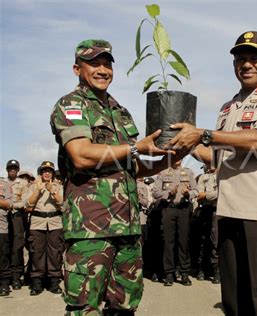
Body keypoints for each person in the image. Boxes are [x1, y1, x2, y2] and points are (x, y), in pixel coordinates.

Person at [169, 31, 257, 315]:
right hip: (228, 214)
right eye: (241, 59)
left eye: (254, 58)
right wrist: (182, 145)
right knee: (234, 302)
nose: (247, 64)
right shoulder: (228, 107)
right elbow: (215, 158)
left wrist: (203, 134)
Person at [50, 39, 171, 315]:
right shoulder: (71, 105)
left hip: (127, 229)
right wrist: (134, 147)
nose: (102, 69)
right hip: (90, 230)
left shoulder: (120, 112)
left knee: (125, 307)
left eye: (107, 64)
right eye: (94, 63)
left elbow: (135, 167)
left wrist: (173, 156)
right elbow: (81, 154)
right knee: (85, 308)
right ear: (77, 69)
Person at [151, 159, 198, 287]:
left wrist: (189, 193)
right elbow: (155, 192)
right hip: (168, 208)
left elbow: (196, 191)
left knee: (184, 242)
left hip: (183, 209)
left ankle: (184, 273)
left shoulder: (188, 173)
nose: (178, 159)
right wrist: (168, 193)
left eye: (181, 156)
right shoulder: (163, 173)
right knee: (168, 241)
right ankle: (169, 274)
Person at [24, 161, 64, 296]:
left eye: (49, 171)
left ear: (53, 173)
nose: (47, 173)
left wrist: (52, 191)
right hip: (37, 222)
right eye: (44, 171)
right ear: (41, 173)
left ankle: (54, 283)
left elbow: (63, 204)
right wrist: (38, 191)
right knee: (37, 253)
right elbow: (27, 205)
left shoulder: (58, 187)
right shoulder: (33, 187)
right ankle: (37, 284)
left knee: (55, 253)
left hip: (55, 223)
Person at [5, 159, 28, 290]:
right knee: (5, 246)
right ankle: (6, 276)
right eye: (10, 168)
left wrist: (11, 205)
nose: (12, 170)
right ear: (7, 169)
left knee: (17, 247)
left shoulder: (23, 183)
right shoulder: (2, 182)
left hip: (17, 216)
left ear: (18, 170)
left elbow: (24, 201)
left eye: (14, 168)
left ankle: (16, 277)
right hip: (4, 218)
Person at [195, 163, 219, 284]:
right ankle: (201, 269)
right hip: (205, 210)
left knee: (215, 241)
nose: (208, 166)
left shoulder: (222, 176)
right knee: (203, 241)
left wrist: (207, 195)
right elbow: (199, 195)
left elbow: (222, 192)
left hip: (218, 211)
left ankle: (216, 271)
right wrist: (212, 195)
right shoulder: (202, 177)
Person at [0, 176, 13, 296]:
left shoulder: (4, 184)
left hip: (1, 228)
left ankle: (4, 285)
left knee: (3, 258)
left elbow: (9, 204)